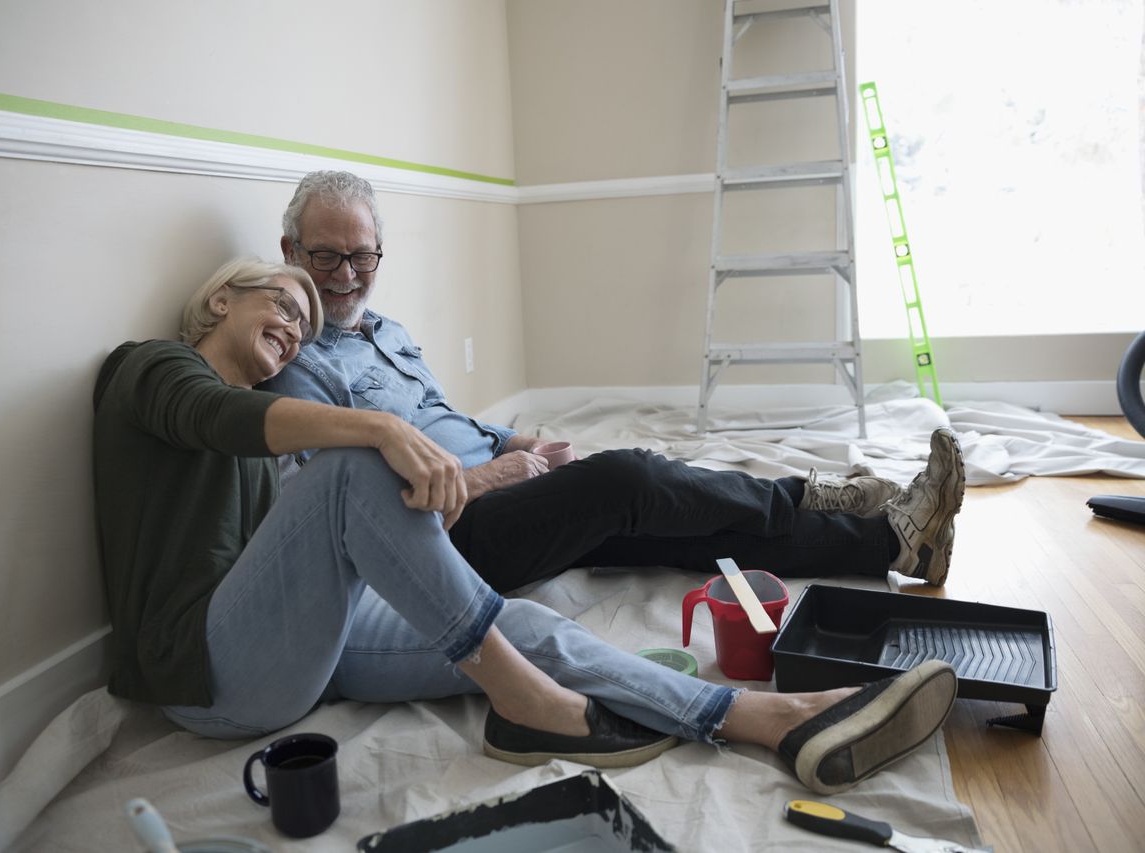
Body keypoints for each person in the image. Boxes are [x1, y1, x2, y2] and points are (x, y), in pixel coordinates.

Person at [92, 256, 959, 794]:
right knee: (355, 464)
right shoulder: (147, 371)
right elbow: (212, 418)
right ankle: (523, 698)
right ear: (218, 301)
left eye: (306, 320)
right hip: (204, 674)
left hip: (295, 651)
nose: (296, 323)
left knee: (531, 620)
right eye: (280, 299)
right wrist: (385, 432)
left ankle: (761, 717)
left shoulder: (305, 389)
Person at [258, 170, 966, 594]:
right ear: (290, 250)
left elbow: (443, 418)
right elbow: (354, 512)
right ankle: (806, 493)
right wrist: (493, 477)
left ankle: (894, 543)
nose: (347, 275)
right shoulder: (298, 374)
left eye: (362, 255)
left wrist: (514, 438)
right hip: (454, 533)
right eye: (326, 257)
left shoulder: (388, 333)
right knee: (630, 477)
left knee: (677, 529)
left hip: (513, 484)